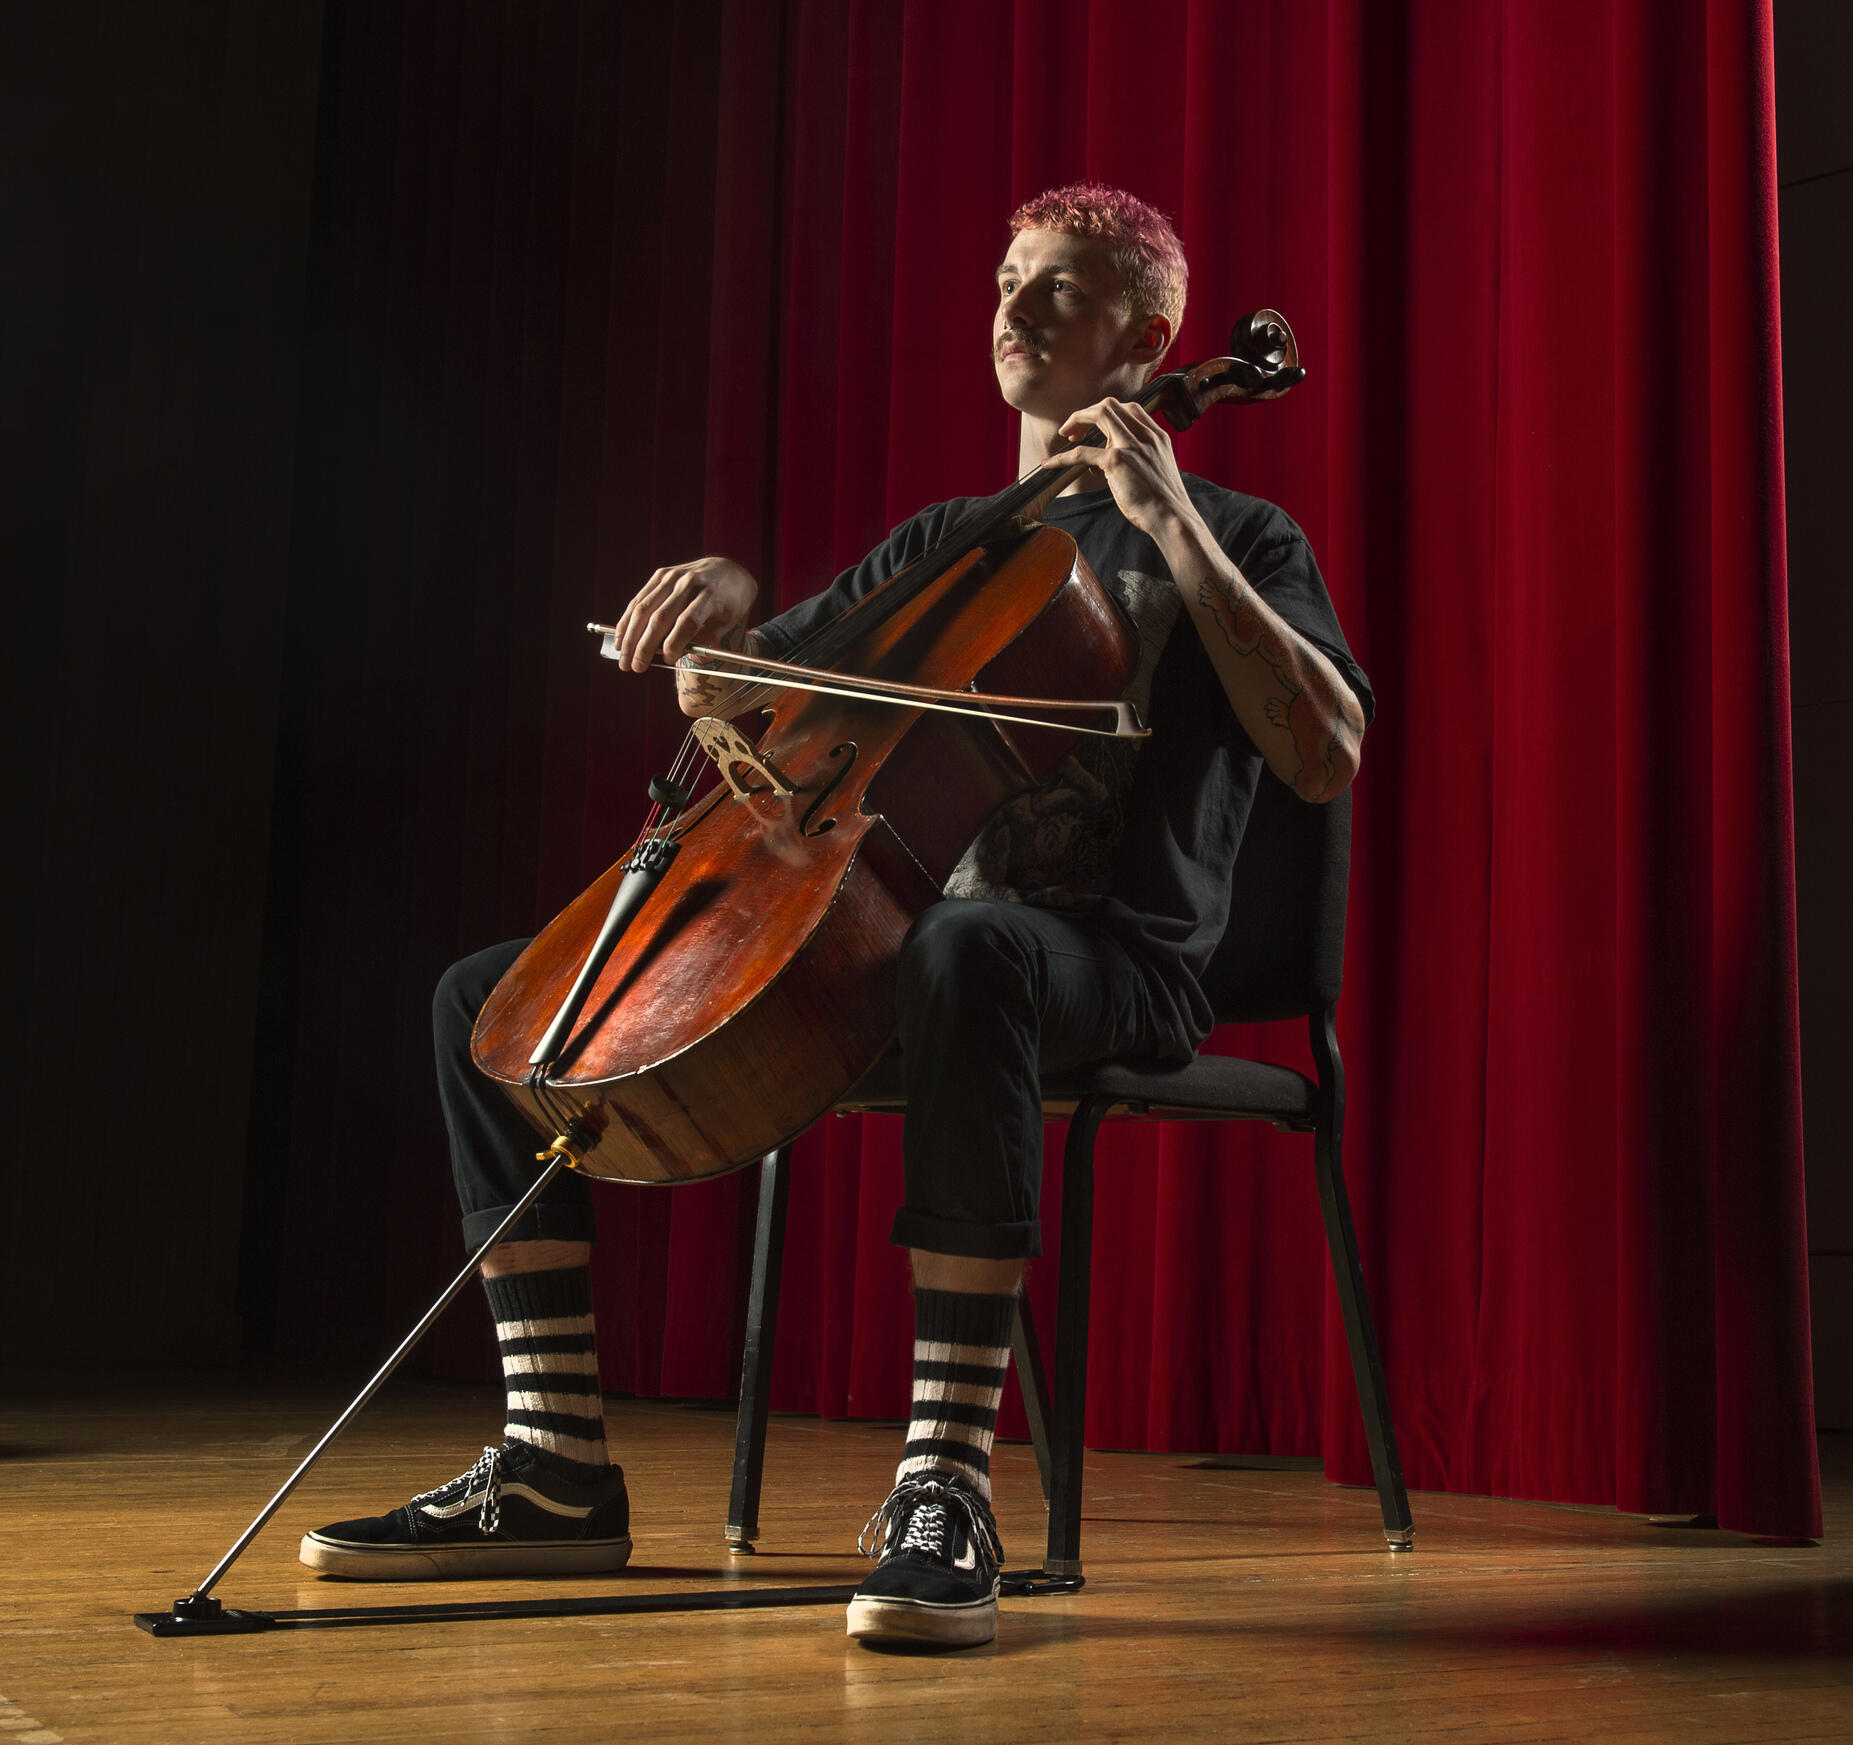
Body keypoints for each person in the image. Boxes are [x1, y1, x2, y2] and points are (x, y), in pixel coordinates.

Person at [296, 184, 1374, 1652]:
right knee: (493, 1002)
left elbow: (1324, 749)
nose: (1011, 306)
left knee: (971, 947)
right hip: (881, 950)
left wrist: (1168, 513)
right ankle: (554, 1464)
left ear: (1152, 335)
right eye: (1006, 276)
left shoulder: (1241, 534)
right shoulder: (948, 541)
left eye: (1057, 288)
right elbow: (749, 686)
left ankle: (944, 1481)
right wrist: (726, 607)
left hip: (1112, 965)